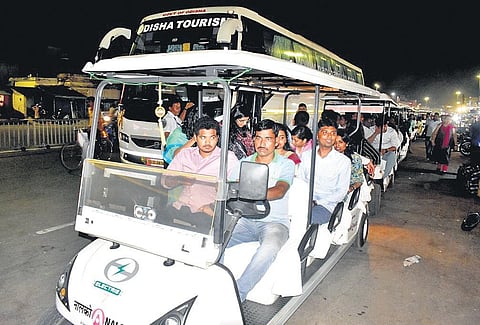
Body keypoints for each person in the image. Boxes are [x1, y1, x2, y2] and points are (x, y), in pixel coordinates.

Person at [225, 119, 295, 302]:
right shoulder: (243, 163)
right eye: (258, 138)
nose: (262, 143)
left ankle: (237, 294)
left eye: (268, 139)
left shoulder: (286, 164)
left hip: (274, 223)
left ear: (277, 141)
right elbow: (231, 188)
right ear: (253, 140)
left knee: (269, 248)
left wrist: (250, 191)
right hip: (245, 220)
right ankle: (216, 283)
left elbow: (280, 190)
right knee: (217, 239)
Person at [164, 116, 239, 226]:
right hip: (179, 208)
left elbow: (235, 189)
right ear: (195, 137)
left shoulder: (227, 158)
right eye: (203, 137)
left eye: (212, 138)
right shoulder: (185, 154)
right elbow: (165, 182)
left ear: (218, 138)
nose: (208, 142)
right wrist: (179, 180)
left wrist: (212, 207)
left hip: (207, 213)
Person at [297, 116, 351, 224]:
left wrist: (317, 202)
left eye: (333, 133)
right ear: (317, 135)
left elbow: (341, 192)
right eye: (325, 132)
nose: (329, 137)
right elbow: (300, 181)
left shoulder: (343, 161)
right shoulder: (307, 156)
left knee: (305, 220)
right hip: (304, 201)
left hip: (327, 206)